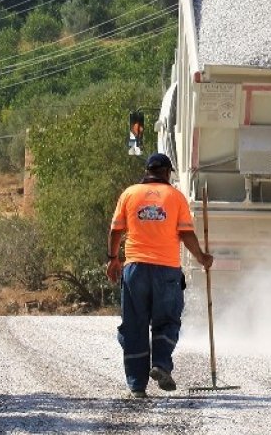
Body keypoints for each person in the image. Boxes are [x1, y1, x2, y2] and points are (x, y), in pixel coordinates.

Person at [106, 152, 213, 398]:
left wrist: (113, 259)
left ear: (147, 171)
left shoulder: (129, 194)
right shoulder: (175, 197)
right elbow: (186, 234)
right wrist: (202, 258)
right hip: (166, 271)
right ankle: (161, 365)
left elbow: (115, 230)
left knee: (134, 326)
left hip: (135, 271)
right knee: (167, 321)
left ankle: (136, 386)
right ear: (166, 172)